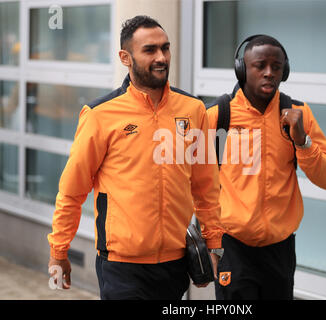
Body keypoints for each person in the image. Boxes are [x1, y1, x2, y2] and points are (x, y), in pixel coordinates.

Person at [47, 15, 224, 300]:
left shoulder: (193, 110)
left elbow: (206, 187)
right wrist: (59, 251)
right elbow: (72, 190)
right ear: (125, 57)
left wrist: (214, 244)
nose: (162, 57)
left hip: (175, 265)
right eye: (150, 50)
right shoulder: (100, 115)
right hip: (121, 266)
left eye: (165, 48)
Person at [206, 34, 326, 300]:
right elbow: (196, 184)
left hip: (280, 250)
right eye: (260, 65)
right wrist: (212, 243)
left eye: (276, 67)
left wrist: (302, 141)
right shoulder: (218, 115)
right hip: (233, 248)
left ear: (284, 71)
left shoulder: (299, 113)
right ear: (242, 69)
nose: (269, 73)